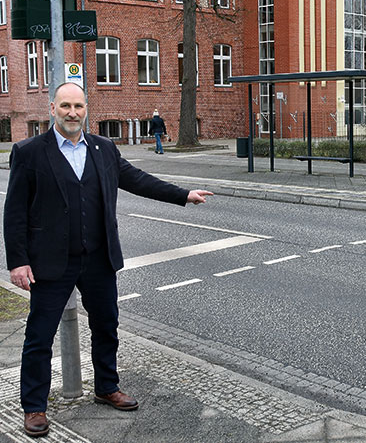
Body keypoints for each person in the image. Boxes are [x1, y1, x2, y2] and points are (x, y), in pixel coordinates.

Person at [3, 83, 213, 438]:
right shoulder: (28, 152)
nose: (73, 113)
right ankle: (34, 406)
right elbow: (15, 213)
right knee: (39, 336)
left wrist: (183, 195)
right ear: (53, 107)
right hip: (51, 263)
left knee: (106, 326)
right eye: (66, 106)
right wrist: (18, 261)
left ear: (87, 109)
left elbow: (138, 181)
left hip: (99, 258)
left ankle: (106, 387)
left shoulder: (103, 148)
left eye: (79, 106)